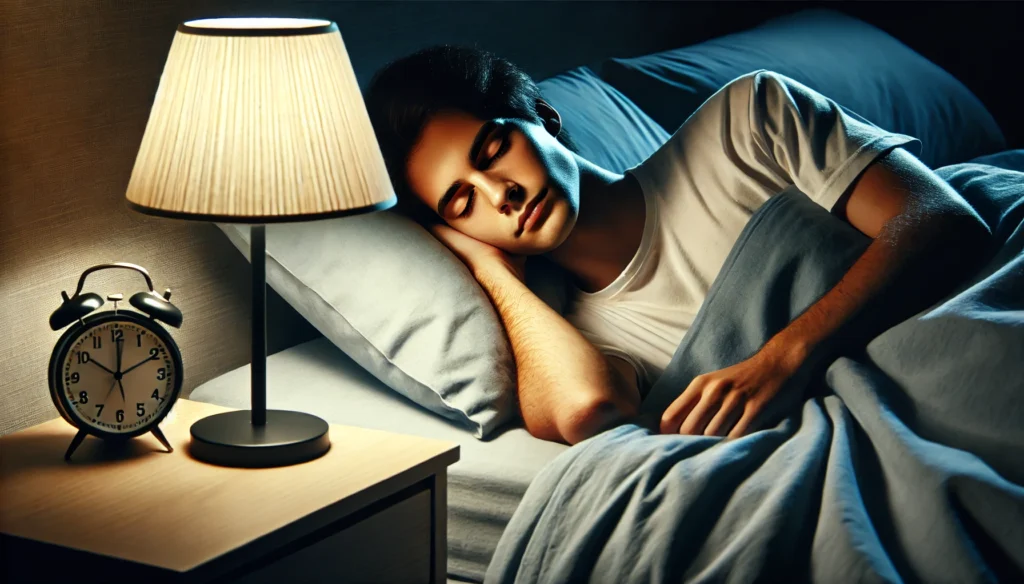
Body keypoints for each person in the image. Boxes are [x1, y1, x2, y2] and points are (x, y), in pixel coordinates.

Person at [365, 45, 991, 446]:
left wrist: (785, 356)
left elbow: (941, 218)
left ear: (544, 119)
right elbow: (587, 413)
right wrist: (490, 271)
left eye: (494, 150)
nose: (498, 195)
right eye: (461, 202)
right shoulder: (590, 337)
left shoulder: (748, 121)